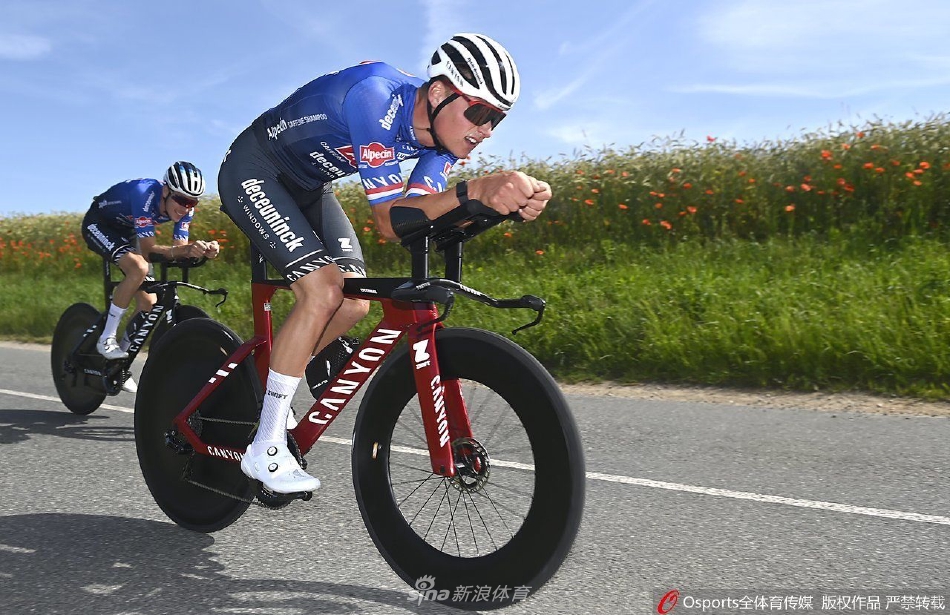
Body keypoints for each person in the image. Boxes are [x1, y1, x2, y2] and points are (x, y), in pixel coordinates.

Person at [218, 33, 552, 495]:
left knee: (353, 301)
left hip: (311, 187)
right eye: (479, 113)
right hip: (256, 169)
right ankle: (266, 445)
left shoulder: (441, 143)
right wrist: (474, 191)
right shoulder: (375, 98)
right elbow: (388, 223)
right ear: (439, 92)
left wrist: (494, 205)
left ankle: (270, 383)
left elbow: (416, 215)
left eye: (497, 118)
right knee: (322, 291)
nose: (487, 130)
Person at [81, 162, 221, 391]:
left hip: (127, 230)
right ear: (165, 190)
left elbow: (179, 249)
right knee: (138, 267)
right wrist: (185, 250)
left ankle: (118, 364)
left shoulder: (186, 210)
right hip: (100, 224)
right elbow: (148, 251)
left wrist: (202, 250)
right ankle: (106, 337)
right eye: (181, 200)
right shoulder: (144, 194)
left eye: (192, 202)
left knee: (149, 302)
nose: (185, 208)